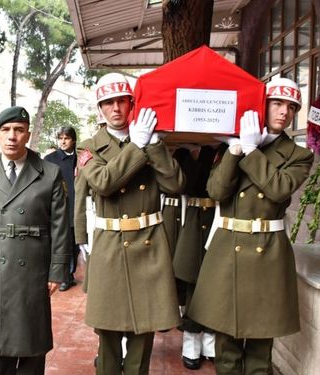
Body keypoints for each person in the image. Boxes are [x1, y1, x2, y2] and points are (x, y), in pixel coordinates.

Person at [188, 77, 314, 375]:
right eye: (277, 103)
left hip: (267, 252)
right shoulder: (232, 145)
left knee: (260, 344)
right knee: (226, 344)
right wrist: (234, 151)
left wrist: (252, 150)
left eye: (291, 107)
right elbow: (217, 192)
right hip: (228, 246)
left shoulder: (299, 155)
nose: (285, 112)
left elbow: (279, 189)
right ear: (262, 104)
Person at [78, 72, 184, 374]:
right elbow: (103, 182)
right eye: (108, 103)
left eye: (122, 101)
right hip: (110, 245)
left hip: (149, 244)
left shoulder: (152, 142)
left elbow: (176, 184)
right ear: (100, 109)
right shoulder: (89, 146)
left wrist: (153, 147)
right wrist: (136, 147)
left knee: (144, 331)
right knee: (108, 333)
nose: (115, 108)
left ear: (131, 104)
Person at [0, 106, 70, 375]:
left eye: (19, 130)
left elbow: (60, 227)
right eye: (5, 130)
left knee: (33, 341)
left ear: (28, 135)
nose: (12, 136)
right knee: (0, 342)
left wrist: (57, 270)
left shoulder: (49, 173)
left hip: (34, 267)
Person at [171, 145, 218, 370]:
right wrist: (189, 153)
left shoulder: (229, 148)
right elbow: (188, 185)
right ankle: (191, 343)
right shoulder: (181, 152)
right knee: (193, 284)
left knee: (216, 286)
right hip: (192, 219)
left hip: (220, 219)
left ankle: (210, 342)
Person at [44, 127, 79, 291]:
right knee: (60, 243)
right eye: (60, 138)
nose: (63, 141)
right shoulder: (50, 159)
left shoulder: (81, 157)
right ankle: (63, 276)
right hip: (58, 208)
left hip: (77, 207)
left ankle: (69, 275)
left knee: (74, 244)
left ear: (73, 140)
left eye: (67, 138)